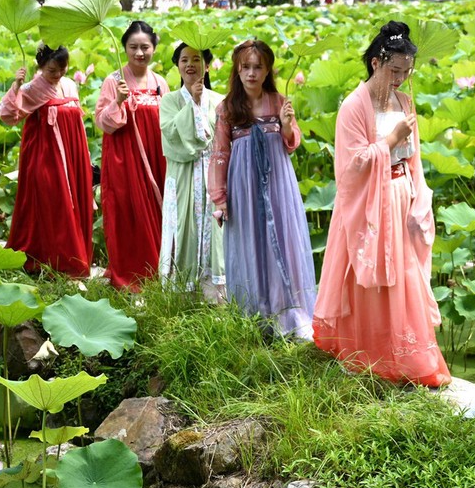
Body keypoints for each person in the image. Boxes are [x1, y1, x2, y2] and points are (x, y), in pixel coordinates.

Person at [313, 21, 451, 388]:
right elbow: (351, 166)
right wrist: (390, 139)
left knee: (405, 277)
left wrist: (419, 196)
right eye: (395, 70)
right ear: (376, 63)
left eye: (407, 72)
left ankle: (411, 357)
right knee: (371, 281)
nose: (401, 79)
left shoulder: (405, 102)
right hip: (369, 205)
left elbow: (415, 156)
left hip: (402, 193)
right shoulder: (353, 107)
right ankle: (371, 356)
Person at [209, 40, 317, 339]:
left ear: (267, 69)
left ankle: (290, 311)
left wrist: (286, 124)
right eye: (246, 67)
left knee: (283, 239)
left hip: (278, 181)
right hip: (243, 184)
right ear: (237, 70)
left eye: (258, 67)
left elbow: (292, 143)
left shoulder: (279, 101)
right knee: (251, 242)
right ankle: (256, 312)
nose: (252, 73)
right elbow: (220, 153)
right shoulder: (227, 107)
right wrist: (220, 198)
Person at [0, 45, 92, 277]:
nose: (58, 74)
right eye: (52, 70)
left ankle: (72, 255)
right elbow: (8, 115)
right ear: (40, 67)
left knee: (73, 202)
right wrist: (16, 86)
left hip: (72, 153)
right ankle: (52, 259)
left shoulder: (70, 85)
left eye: (62, 68)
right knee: (53, 201)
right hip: (45, 154)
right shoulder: (32, 88)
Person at [95, 21, 168, 291]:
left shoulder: (160, 82)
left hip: (156, 157)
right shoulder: (114, 81)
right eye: (133, 47)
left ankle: (159, 268)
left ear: (154, 48)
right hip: (124, 159)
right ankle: (130, 273)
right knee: (128, 212)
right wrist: (118, 102)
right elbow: (102, 123)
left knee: (159, 211)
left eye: (145, 47)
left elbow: (169, 120)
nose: (140, 53)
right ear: (125, 48)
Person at [159, 41, 225, 301]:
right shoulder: (169, 101)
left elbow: (220, 139)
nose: (190, 65)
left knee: (216, 233)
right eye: (184, 60)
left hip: (213, 175)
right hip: (183, 175)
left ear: (207, 66)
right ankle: (182, 297)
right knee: (183, 227)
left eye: (196, 59)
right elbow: (173, 137)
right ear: (177, 66)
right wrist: (193, 104)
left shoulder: (220, 100)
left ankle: (216, 295)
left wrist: (201, 103)